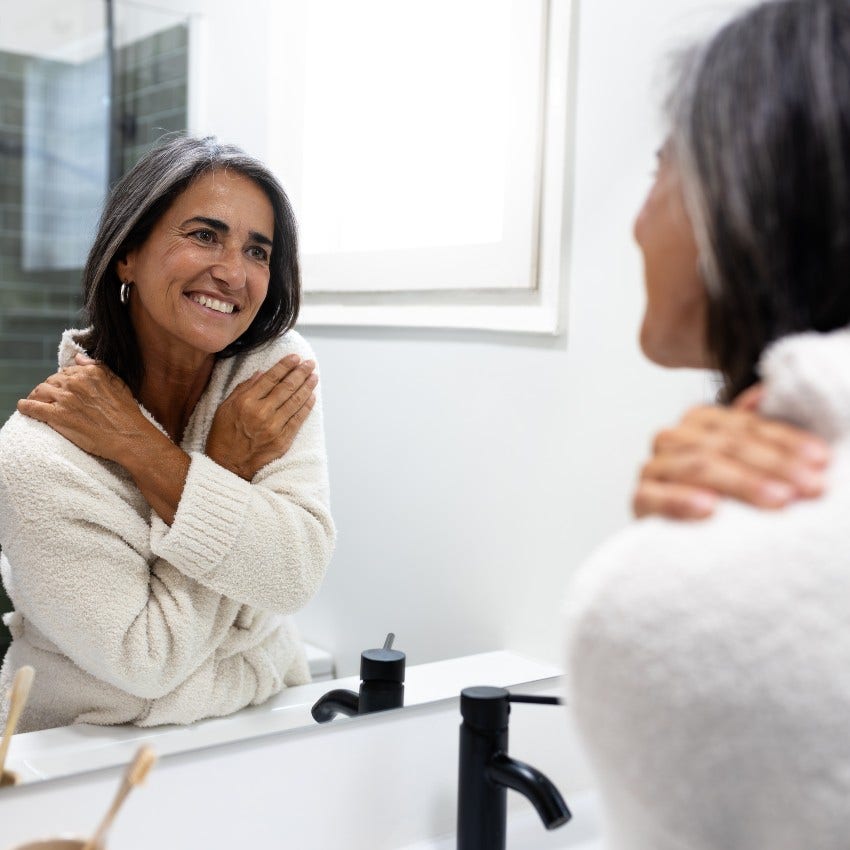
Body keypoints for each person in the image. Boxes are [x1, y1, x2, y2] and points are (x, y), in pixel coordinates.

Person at [564, 2, 850, 848]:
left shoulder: (660, 604)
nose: (636, 222)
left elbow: (288, 568)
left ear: (746, 188)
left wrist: (694, 551)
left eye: (662, 166)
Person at [0, 136, 335, 732]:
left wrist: (140, 446)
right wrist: (226, 468)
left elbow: (296, 573)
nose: (232, 272)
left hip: (262, 727)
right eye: (204, 235)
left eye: (257, 250)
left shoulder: (273, 374)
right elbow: (146, 659)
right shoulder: (36, 456)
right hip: (84, 750)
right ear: (127, 254)